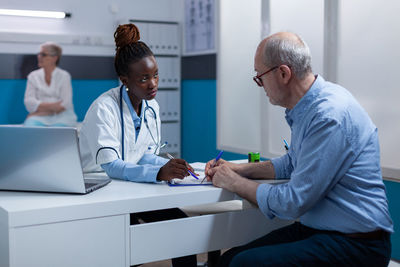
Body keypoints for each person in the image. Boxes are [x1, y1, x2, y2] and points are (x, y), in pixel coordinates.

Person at [205, 32, 393, 267]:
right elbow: (292, 163)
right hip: (323, 231)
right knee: (228, 261)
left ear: (283, 73)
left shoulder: (328, 115)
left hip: (358, 244)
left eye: (259, 77)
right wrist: (238, 169)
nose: (260, 85)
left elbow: (294, 201)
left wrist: (234, 182)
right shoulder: (308, 106)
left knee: (244, 264)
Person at [78, 23, 197, 267]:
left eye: (155, 75)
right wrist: (158, 172)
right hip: (95, 189)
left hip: (127, 187)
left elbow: (142, 154)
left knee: (182, 228)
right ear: (125, 80)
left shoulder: (152, 107)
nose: (153, 84)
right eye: (144, 78)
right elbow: (111, 165)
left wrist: (170, 165)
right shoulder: (104, 108)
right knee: (128, 243)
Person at [23, 42, 77, 126]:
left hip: (62, 117)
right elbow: (29, 102)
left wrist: (38, 110)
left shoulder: (64, 76)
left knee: (56, 132)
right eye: (39, 54)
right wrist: (54, 106)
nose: (39, 57)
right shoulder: (33, 76)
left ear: (54, 58)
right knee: (30, 126)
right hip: (39, 117)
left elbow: (65, 104)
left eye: (43, 54)